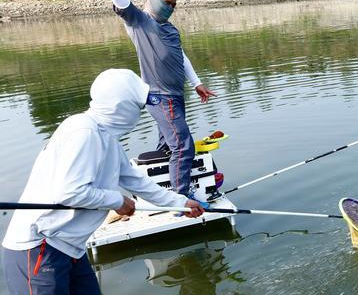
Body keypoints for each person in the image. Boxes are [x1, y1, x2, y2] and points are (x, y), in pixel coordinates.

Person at [1, 69, 205, 295]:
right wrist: (117, 201)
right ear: (122, 105)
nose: (141, 112)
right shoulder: (84, 131)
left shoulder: (106, 136)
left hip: (71, 248)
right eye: (138, 105)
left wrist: (180, 203)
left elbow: (134, 179)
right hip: (40, 247)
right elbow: (69, 193)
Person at [86, 0, 216, 199]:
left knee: (169, 147)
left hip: (176, 96)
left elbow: (180, 56)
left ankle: (163, 188)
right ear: (156, 0)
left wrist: (196, 83)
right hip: (160, 96)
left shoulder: (170, 28)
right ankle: (182, 198)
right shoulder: (140, 22)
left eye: (174, 5)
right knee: (183, 146)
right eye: (167, 3)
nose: (170, 7)